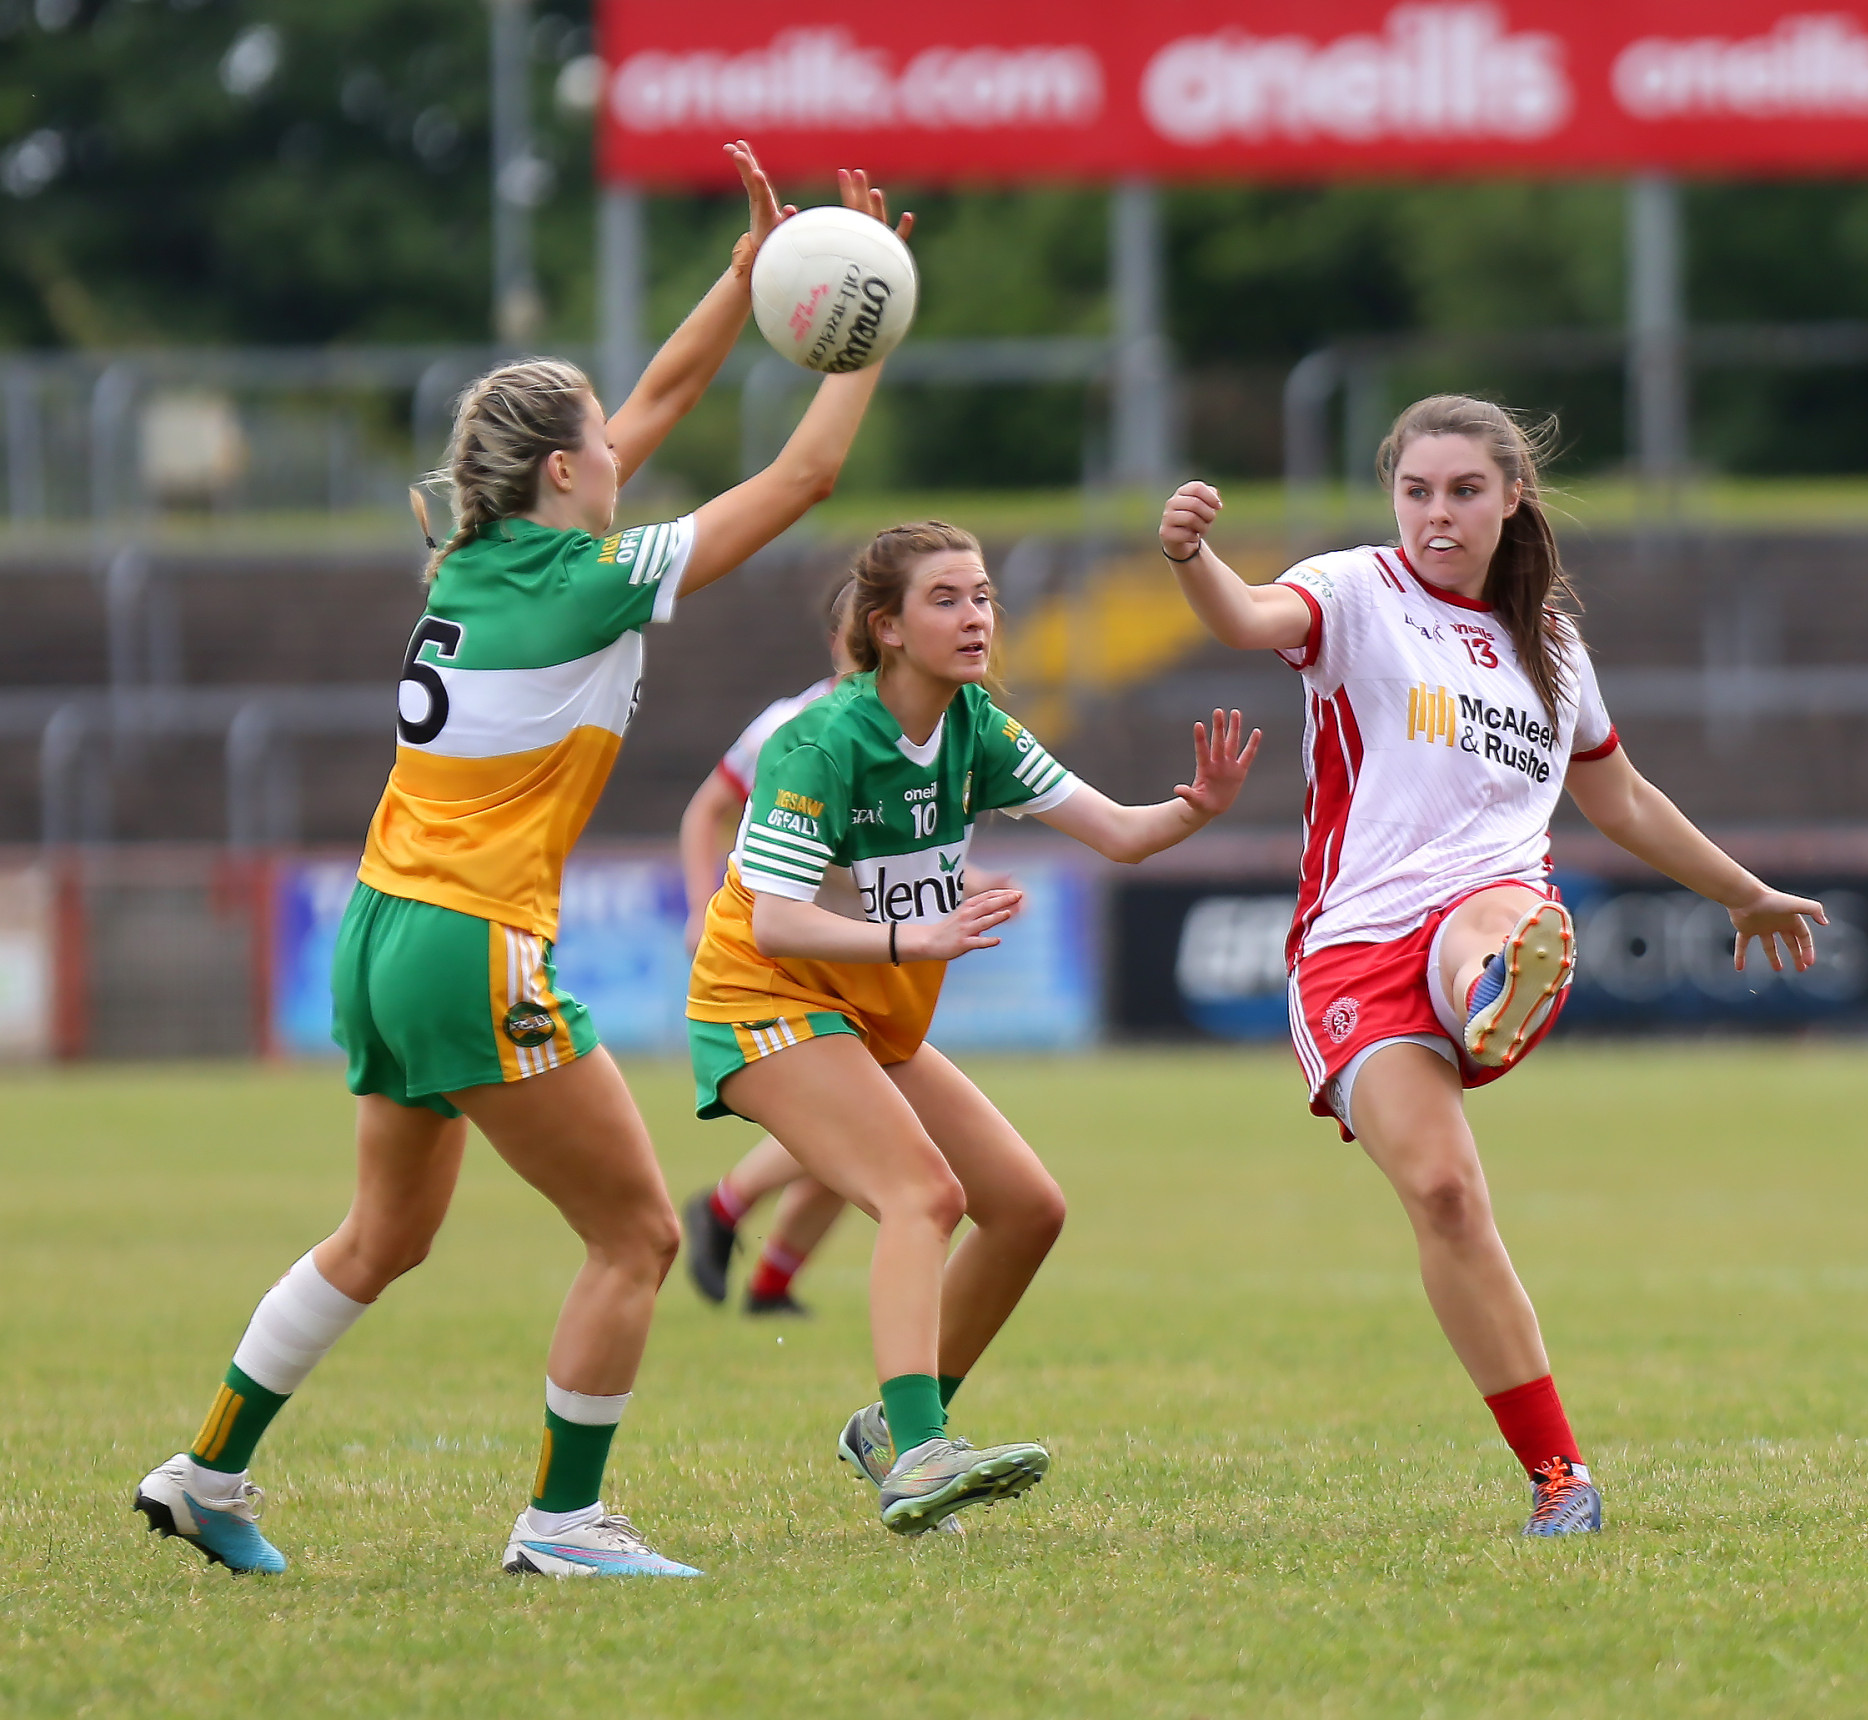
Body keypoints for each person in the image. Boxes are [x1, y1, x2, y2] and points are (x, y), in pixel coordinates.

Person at [132, 148, 907, 1579]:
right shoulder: (588, 579)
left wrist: (744, 281)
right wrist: (866, 321)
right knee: (633, 1236)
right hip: (470, 938)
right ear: (566, 474)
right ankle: (565, 1523)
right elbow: (806, 474)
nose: (626, 446)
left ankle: (208, 1471)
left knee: (383, 1236)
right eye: (599, 447)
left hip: (378, 929)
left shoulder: (475, 554)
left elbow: (659, 402)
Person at [1158, 394, 1825, 1536]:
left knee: (1498, 916)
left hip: (1495, 903)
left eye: (1464, 490)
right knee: (1447, 1195)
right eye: (1417, 490)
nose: (1437, 513)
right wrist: (1192, 557)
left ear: (1512, 499)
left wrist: (1744, 891)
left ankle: (1488, 991)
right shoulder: (1357, 590)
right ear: (1392, 499)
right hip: (1354, 949)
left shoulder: (1553, 649)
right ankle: (1555, 1472)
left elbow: (1623, 798)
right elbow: (1248, 616)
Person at [685, 520, 1261, 1535]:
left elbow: (1122, 831)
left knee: (1028, 1208)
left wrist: (1196, 809)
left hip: (868, 1015)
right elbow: (771, 922)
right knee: (924, 1192)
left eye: (984, 595)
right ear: (888, 629)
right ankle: (917, 1456)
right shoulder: (819, 740)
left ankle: (895, 1428)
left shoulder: (977, 728)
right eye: (947, 598)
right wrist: (916, 936)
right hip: (759, 1000)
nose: (977, 616)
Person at [677, 580, 859, 1316]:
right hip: (800, 950)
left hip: (876, 955)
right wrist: (699, 906)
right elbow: (708, 810)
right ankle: (725, 1208)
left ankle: (771, 1279)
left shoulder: (934, 725)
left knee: (863, 1136)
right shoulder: (796, 724)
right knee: (865, 1126)